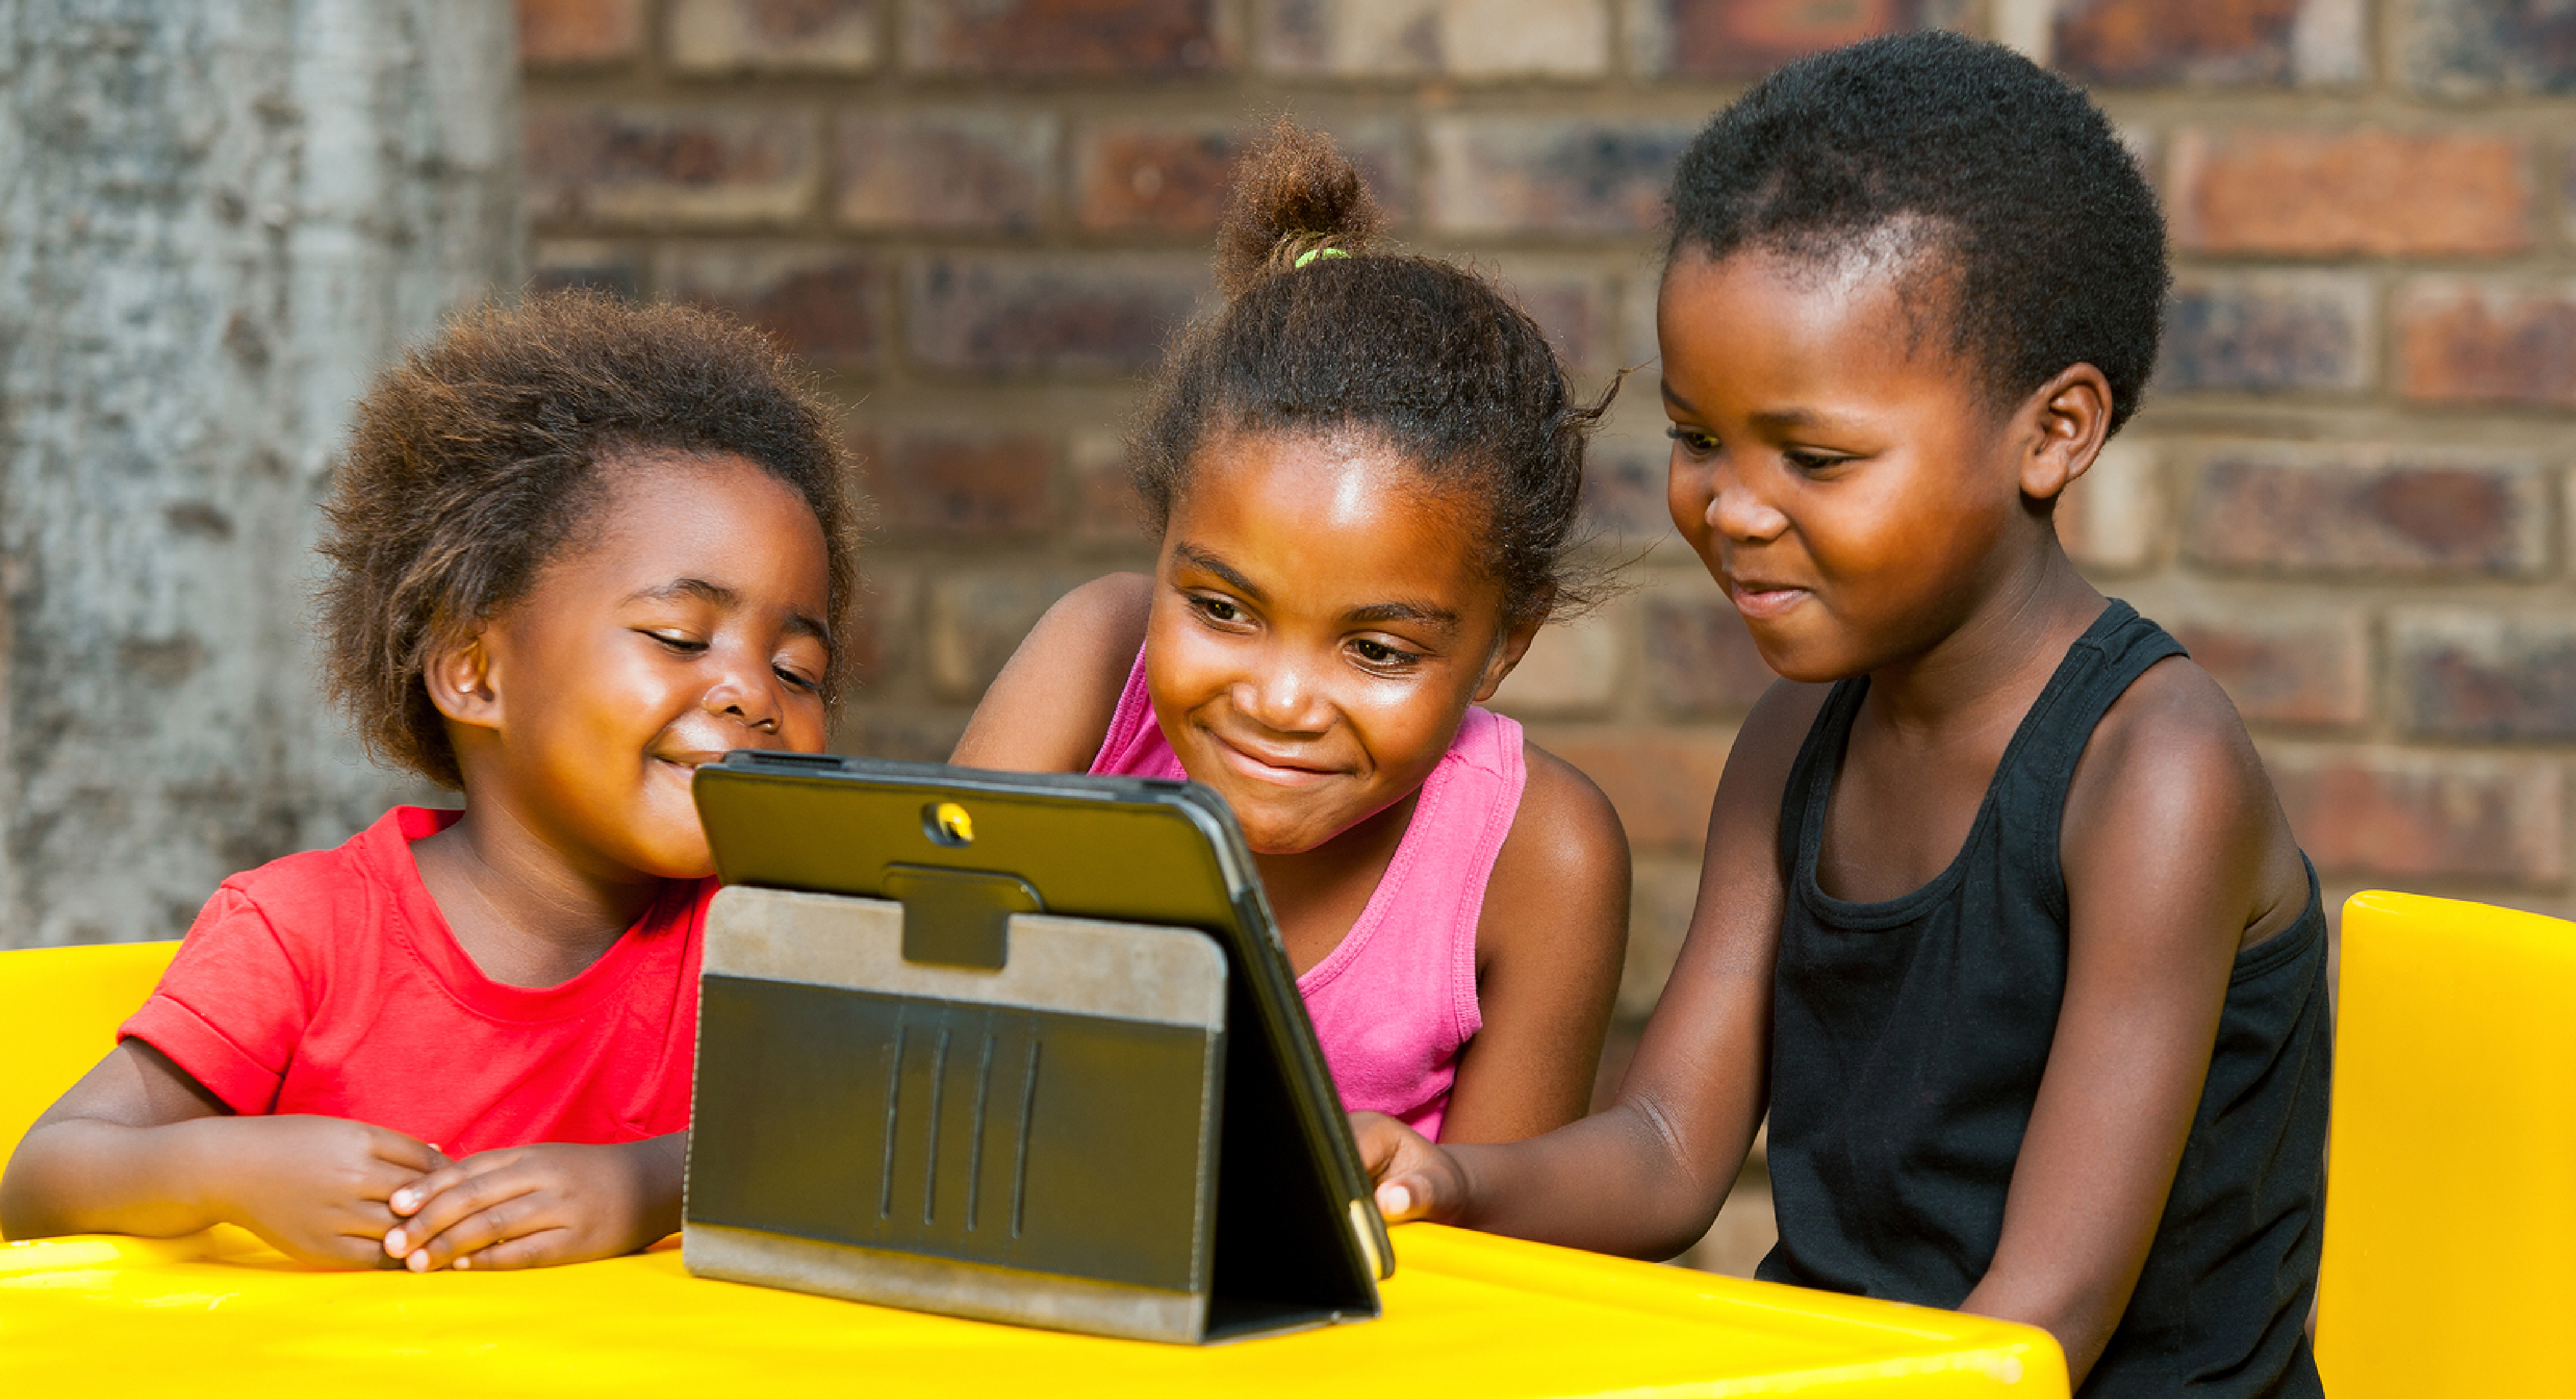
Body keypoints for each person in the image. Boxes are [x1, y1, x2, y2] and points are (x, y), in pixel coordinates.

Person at [1359, 33, 2330, 1397]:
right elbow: (1665, 1149)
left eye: (1814, 458)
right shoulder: (1793, 742)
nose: (1732, 509)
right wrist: (1448, 1180)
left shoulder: (2154, 774)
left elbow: (2042, 1317)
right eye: (1699, 439)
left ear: (2052, 432)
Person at [0, 292, 860, 1274]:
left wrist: (645, 1184)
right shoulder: (301, 934)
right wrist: (231, 1168)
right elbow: (41, 1176)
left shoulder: (768, 934)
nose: (752, 692)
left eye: (799, 669)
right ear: (476, 672)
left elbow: (876, 1132)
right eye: (679, 637)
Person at [952, 121, 1632, 1146]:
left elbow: (1497, 1263)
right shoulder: (1096, 667)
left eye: (1376, 650)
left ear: (1505, 644)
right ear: (1166, 540)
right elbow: (902, 996)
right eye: (1223, 609)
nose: (1278, 701)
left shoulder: (1543, 857)